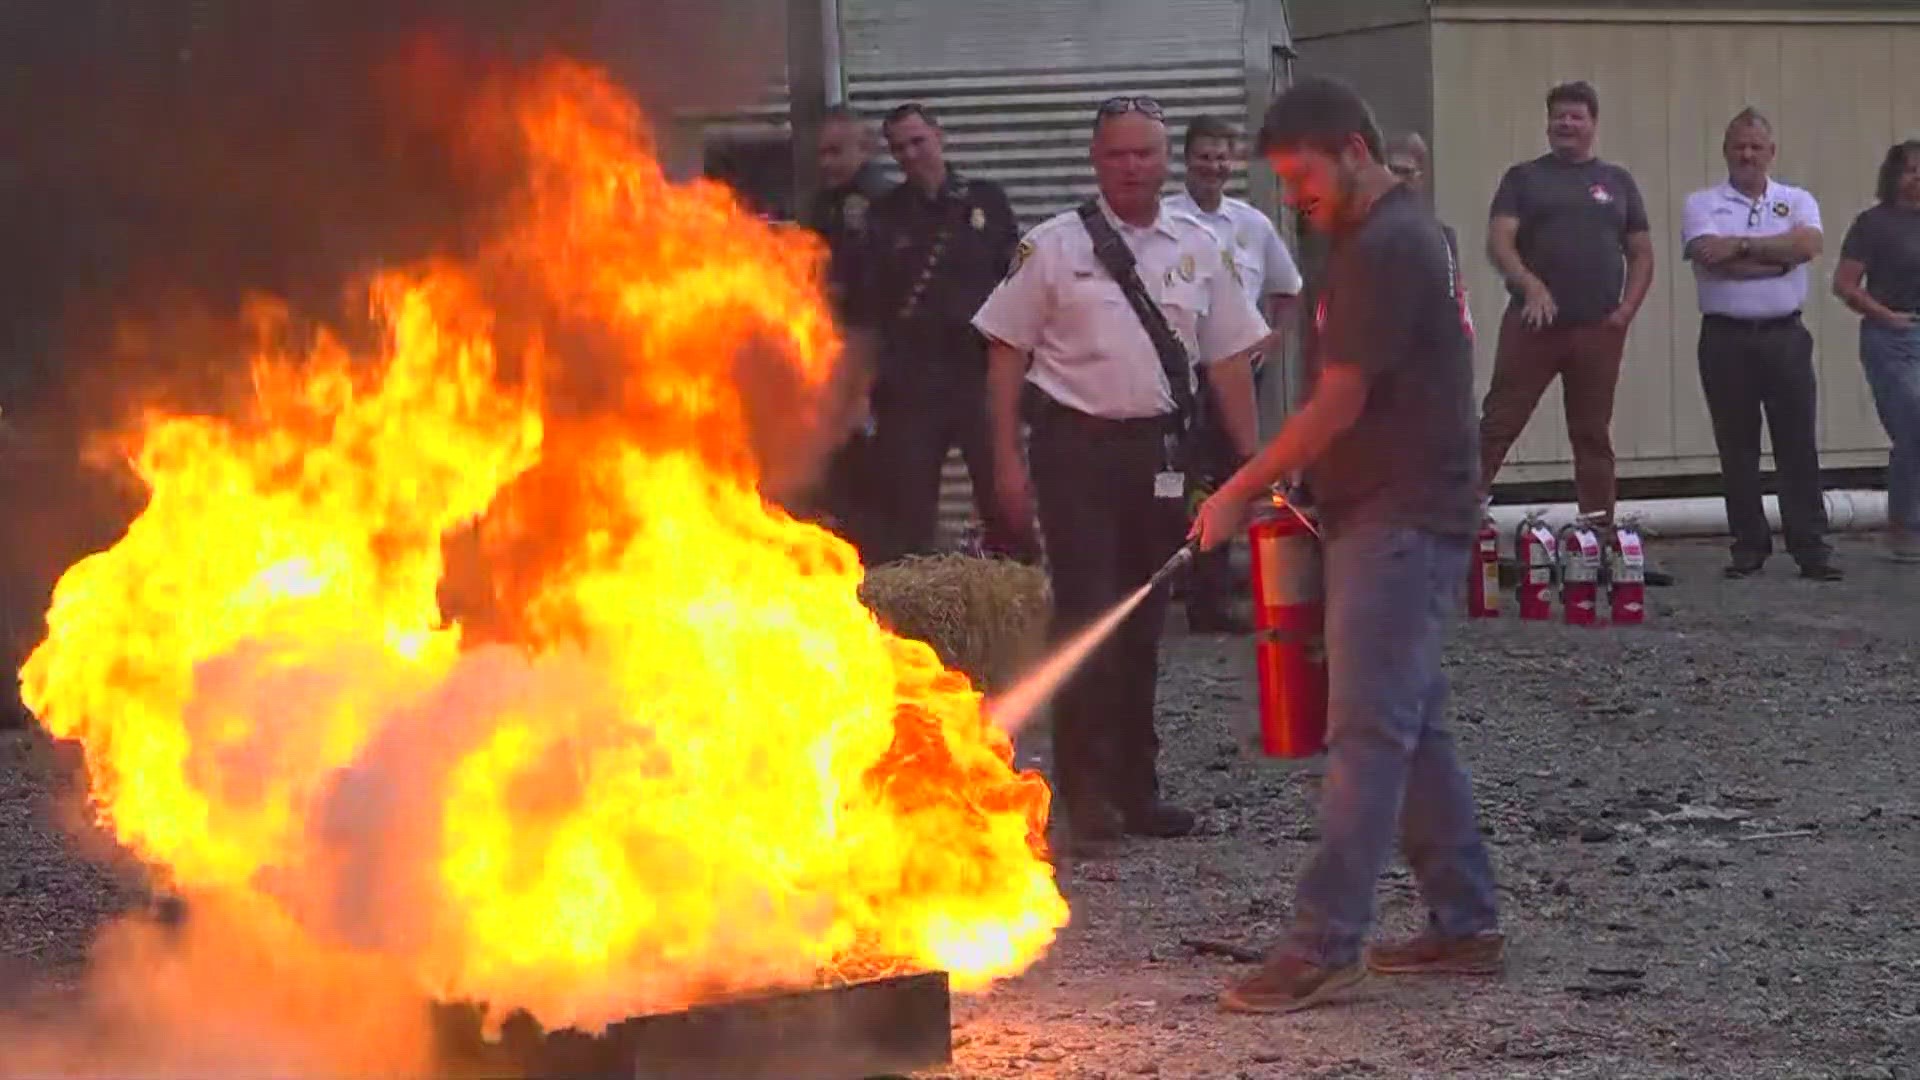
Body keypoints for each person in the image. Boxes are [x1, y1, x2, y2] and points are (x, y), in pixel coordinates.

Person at [1190, 75, 1501, 1014]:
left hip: (1399, 518)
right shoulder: (1390, 235)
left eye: (1301, 175)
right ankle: (1465, 921)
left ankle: (1325, 943)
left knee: (1366, 731)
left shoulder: (1389, 248)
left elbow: (1338, 400)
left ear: (1354, 151)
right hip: (1393, 505)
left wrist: (1242, 488)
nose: (1294, 197)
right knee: (1413, 723)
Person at [972, 94, 1266, 847]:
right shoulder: (1054, 248)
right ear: (1096, 161)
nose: (1133, 167)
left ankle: (1140, 791)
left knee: (1143, 625)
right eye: (1118, 154)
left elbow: (1228, 360)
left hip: (1162, 461)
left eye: (1146, 153)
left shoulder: (1200, 246)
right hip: (1076, 457)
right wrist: (1004, 462)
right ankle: (1087, 795)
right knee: (1086, 619)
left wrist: (1255, 464)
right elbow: (1005, 357)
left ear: (1165, 160)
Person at [1478, 82, 1666, 582]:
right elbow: (1500, 242)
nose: (1566, 124)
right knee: (1499, 422)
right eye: (1558, 116)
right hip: (1533, 326)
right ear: (1548, 123)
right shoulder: (1524, 178)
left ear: (1592, 123)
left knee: (1591, 433)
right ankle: (1453, 530)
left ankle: (1600, 542)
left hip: (1597, 329)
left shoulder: (1616, 182)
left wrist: (1626, 310)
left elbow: (1642, 253)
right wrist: (1530, 286)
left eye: (1576, 117)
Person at [846, 103, 1036, 564]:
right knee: (910, 510)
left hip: (977, 375)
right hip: (912, 384)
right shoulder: (884, 216)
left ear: (939, 136)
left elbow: (1017, 282)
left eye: (918, 141)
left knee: (1003, 500)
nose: (911, 154)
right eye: (899, 148)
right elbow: (869, 307)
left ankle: (1025, 598)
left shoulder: (985, 201)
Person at [1681, 108, 1839, 580]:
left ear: (1771, 152)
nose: (1747, 154)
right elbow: (1710, 258)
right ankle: (1749, 546)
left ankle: (1811, 547)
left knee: (1797, 444)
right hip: (1726, 338)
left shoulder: (1798, 199)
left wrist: (1743, 247)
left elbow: (1808, 247)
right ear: (1726, 151)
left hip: (1784, 336)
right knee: (1737, 444)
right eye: (1738, 146)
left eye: (1756, 146)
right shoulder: (1702, 203)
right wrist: (1777, 256)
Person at [1162, 113, 1304, 634]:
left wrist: (1269, 339)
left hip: (1237, 377)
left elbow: (1288, 290)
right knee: (1170, 482)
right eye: (1204, 155)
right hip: (1177, 377)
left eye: (1223, 156)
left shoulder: (1252, 225)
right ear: (1186, 160)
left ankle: (1211, 601)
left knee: (1225, 484)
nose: (1213, 165)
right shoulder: (1164, 219)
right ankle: (1163, 593)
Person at [803, 105, 894, 560]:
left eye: (838, 151)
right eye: (822, 153)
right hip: (834, 359)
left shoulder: (883, 208)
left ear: (866, 148)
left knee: (873, 479)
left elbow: (880, 302)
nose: (828, 163)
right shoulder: (825, 206)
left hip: (874, 365)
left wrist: (865, 380)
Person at [1833, 139, 1920, 565]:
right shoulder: (1873, 223)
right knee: (1913, 420)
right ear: (1894, 176)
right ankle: (1904, 526)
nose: (1917, 178)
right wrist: (1887, 316)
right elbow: (1845, 285)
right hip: (1892, 337)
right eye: (1910, 170)